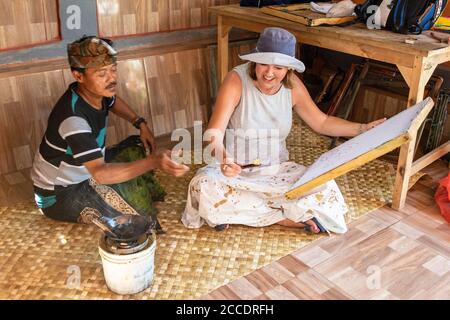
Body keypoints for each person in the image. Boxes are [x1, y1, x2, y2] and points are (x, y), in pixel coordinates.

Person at [182, 27, 385, 234]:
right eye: (263, 64)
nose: (269, 73)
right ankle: (283, 217)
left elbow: (321, 122)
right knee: (203, 185)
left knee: (326, 187)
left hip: (277, 170)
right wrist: (224, 158)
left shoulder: (293, 86)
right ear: (254, 62)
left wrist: (362, 128)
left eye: (278, 67)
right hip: (236, 171)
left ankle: (248, 212)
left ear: (288, 68)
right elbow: (213, 133)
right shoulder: (236, 80)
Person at [31, 36, 189, 232]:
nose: (112, 78)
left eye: (113, 70)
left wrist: (140, 123)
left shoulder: (97, 93)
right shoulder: (72, 119)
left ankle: (131, 188)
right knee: (135, 219)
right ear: (78, 76)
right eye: (102, 73)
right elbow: (101, 174)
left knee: (138, 146)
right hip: (59, 195)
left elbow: (114, 101)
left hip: (88, 172)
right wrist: (154, 162)